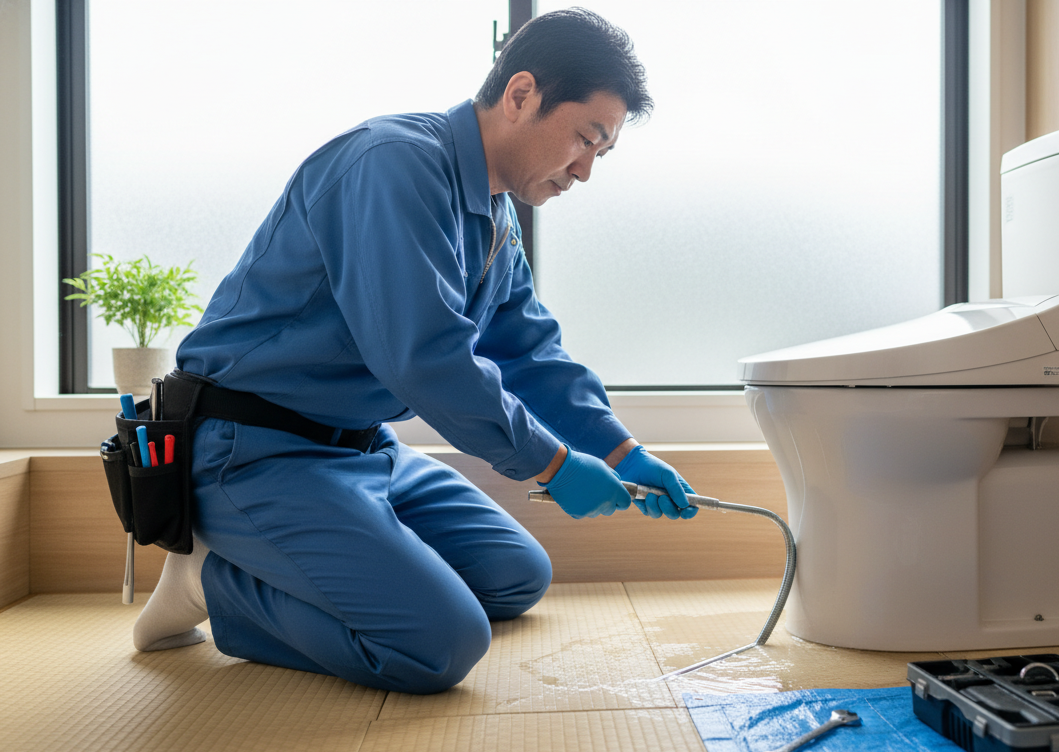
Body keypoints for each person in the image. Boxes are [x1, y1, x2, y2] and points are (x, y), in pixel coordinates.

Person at [130, 8, 697, 695]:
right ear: (521, 95)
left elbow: (529, 355)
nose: (583, 171)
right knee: (440, 644)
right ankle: (210, 581)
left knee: (517, 575)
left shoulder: (493, 216)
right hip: (252, 451)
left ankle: (339, 554)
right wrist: (551, 462)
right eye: (584, 139)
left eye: (600, 154)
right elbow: (425, 358)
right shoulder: (392, 165)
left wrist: (618, 449)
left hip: (363, 451)